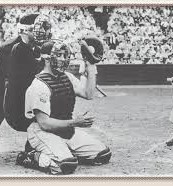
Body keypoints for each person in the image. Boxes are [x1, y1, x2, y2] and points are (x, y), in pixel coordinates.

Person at [16, 40, 111, 175]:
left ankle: (61, 150)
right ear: (47, 58)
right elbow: (44, 124)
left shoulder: (67, 77)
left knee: (103, 154)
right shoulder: (38, 86)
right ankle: (30, 156)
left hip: (65, 130)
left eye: (65, 55)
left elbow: (88, 94)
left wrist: (90, 66)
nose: (63, 59)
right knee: (65, 165)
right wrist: (75, 122)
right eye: (59, 55)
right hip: (43, 132)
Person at [0, 14, 51, 132]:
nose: (43, 32)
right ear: (27, 30)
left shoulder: (38, 48)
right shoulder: (6, 49)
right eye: (39, 28)